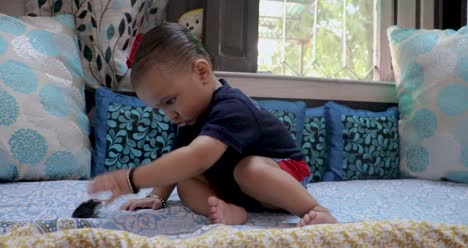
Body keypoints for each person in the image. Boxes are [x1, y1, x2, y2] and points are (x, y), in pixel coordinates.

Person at [88, 22, 338, 227]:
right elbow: (180, 160)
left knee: (248, 169)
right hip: (241, 189)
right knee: (186, 181)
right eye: (160, 108)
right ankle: (234, 211)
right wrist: (156, 196)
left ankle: (315, 208)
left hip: (284, 176)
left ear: (202, 72)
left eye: (170, 101)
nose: (169, 114)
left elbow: (196, 157)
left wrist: (132, 179)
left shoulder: (232, 107)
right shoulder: (188, 117)